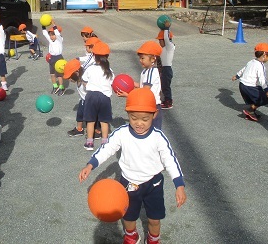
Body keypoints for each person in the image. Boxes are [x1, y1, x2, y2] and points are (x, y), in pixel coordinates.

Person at [79, 88, 187, 244]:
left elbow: (170, 159)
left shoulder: (158, 138)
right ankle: (131, 236)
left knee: (154, 219)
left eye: (145, 119)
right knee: (128, 216)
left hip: (153, 183)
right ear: (128, 114)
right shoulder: (122, 133)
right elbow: (107, 149)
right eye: (134, 117)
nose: (139, 123)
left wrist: (179, 184)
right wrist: (91, 164)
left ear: (154, 115)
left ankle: (153, 239)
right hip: (128, 182)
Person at [119, 41, 163, 130]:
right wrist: (130, 81)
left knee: (153, 131)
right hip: (147, 104)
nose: (140, 60)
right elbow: (142, 86)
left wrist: (129, 95)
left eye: (142, 58)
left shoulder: (151, 72)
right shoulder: (145, 71)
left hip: (152, 106)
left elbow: (145, 91)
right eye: (140, 58)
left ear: (153, 59)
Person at [81, 41, 114, 151]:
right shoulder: (109, 71)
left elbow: (84, 81)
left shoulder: (90, 68)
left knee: (90, 121)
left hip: (91, 96)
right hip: (105, 97)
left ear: (95, 56)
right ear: (107, 56)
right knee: (104, 121)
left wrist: (89, 85)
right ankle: (105, 142)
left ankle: (90, 142)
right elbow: (112, 83)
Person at [232, 42, 268, 121]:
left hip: (242, 85)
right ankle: (250, 111)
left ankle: (250, 114)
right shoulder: (260, 66)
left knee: (254, 98)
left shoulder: (251, 61)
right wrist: (267, 90)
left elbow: (243, 69)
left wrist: (237, 76)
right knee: (262, 99)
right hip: (249, 86)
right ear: (264, 55)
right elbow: (262, 79)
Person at [64, 59, 87, 137]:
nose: (69, 79)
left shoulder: (85, 79)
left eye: (70, 76)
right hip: (83, 99)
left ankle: (98, 129)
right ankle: (79, 129)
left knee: (92, 117)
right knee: (80, 114)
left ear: (77, 72)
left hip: (90, 101)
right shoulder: (79, 76)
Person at [42, 20, 65, 96]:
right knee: (52, 74)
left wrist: (53, 25)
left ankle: (61, 87)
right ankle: (55, 86)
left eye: (53, 34)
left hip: (59, 58)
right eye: (50, 35)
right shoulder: (50, 40)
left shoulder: (59, 39)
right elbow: (44, 33)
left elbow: (57, 34)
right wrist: (43, 25)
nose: (51, 36)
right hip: (51, 58)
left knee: (59, 75)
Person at [157, 25, 175, 110]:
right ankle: (165, 100)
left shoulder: (169, 46)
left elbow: (167, 39)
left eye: (160, 40)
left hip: (167, 69)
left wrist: (166, 28)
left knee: (166, 86)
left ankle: (168, 102)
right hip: (164, 69)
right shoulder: (163, 48)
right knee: (163, 85)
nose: (159, 42)